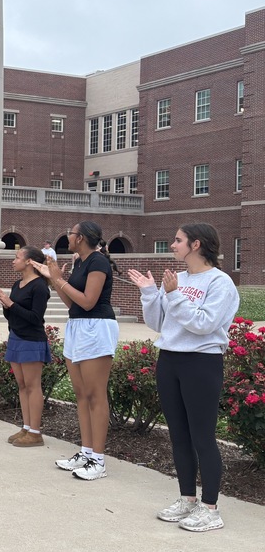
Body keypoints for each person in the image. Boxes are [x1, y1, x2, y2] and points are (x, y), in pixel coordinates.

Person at [128, 223, 239, 531]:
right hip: (170, 360)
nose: (173, 245)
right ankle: (187, 499)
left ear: (196, 245)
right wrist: (151, 293)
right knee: (178, 435)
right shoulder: (177, 280)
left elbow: (203, 324)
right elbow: (160, 323)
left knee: (202, 437)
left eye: (178, 241)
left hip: (201, 362)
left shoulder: (220, 283)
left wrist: (174, 295)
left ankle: (210, 508)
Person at [35, 221, 119, 480]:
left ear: (80, 238)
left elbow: (88, 301)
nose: (67, 237)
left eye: (70, 233)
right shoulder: (80, 262)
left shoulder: (98, 262)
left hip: (97, 327)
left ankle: (99, 460)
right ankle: (86, 451)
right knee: (81, 395)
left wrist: (58, 279)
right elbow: (72, 302)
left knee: (96, 395)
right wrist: (54, 282)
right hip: (78, 325)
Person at [0, 246, 52, 445]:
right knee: (21, 385)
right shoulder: (17, 284)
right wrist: (6, 305)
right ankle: (26, 427)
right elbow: (12, 315)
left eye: (17, 257)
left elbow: (36, 318)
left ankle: (35, 432)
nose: (13, 260)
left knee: (32, 385)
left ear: (29, 262)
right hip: (16, 336)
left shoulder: (39, 287)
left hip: (31, 339)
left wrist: (11, 304)